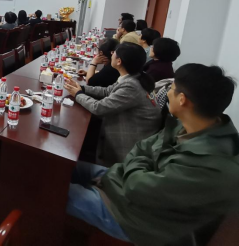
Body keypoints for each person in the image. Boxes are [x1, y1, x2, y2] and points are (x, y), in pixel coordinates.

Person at [65, 64, 239, 246]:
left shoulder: (213, 165)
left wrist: (138, 165)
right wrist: (140, 166)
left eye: (171, 89)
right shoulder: (190, 125)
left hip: (134, 218)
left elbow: (136, 187)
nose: (167, 93)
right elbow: (142, 146)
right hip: (121, 182)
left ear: (182, 99)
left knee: (53, 188)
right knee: (64, 167)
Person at [64, 43, 160, 165]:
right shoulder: (135, 77)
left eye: (114, 52)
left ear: (119, 61)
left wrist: (78, 94)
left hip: (126, 150)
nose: (112, 54)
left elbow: (99, 108)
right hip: (122, 133)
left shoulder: (132, 86)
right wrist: (82, 88)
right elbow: (107, 91)